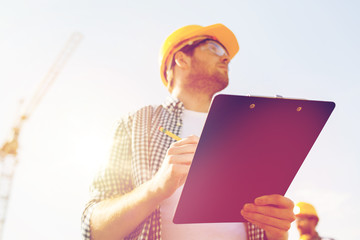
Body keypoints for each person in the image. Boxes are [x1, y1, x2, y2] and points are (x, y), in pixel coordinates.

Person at [81, 23, 296, 240]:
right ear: (181, 59)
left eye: (227, 55)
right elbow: (95, 230)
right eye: (215, 48)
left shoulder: (249, 133)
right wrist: (156, 187)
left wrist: (277, 233)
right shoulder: (135, 124)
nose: (226, 58)